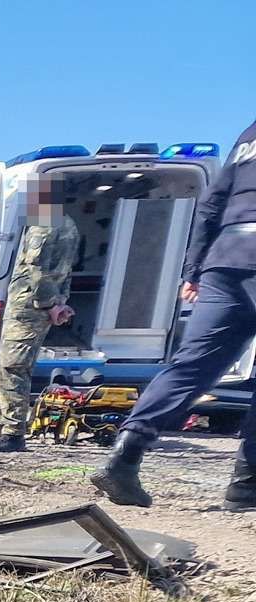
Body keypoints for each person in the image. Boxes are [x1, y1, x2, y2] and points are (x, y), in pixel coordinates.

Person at [91, 118, 256, 512]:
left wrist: (194, 268)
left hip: (226, 258)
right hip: (228, 259)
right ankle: (246, 486)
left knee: (190, 366)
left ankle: (126, 455)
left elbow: (213, 202)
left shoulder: (250, 134)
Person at [0, 176, 80, 453]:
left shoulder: (44, 225)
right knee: (5, 365)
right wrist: (61, 301)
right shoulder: (69, 225)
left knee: (13, 367)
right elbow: (66, 272)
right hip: (37, 306)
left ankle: (12, 430)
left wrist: (49, 303)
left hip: (29, 307)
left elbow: (36, 267)